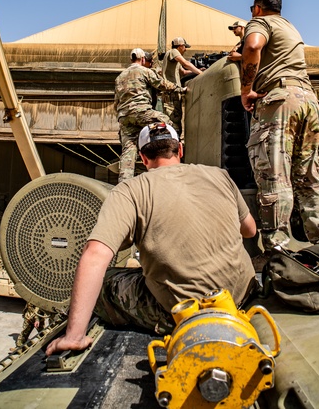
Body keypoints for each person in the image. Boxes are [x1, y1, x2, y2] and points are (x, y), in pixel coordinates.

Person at [45, 123, 257, 355]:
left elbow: (95, 255)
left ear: (143, 158)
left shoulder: (130, 191)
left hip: (187, 311)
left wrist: (74, 336)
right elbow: (250, 230)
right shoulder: (220, 175)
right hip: (240, 296)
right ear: (180, 150)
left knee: (107, 283)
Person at [239, 0, 319, 251]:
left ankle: (278, 251)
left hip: (280, 100)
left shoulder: (259, 22)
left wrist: (246, 89)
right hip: (308, 99)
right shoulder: (290, 28)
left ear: (258, 9)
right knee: (308, 177)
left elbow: (252, 46)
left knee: (274, 175)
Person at [115, 48, 184, 182]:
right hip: (142, 111)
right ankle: (173, 161)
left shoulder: (120, 77)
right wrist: (179, 89)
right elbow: (161, 84)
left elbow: (116, 102)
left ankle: (123, 182)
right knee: (168, 125)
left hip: (124, 117)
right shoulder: (144, 71)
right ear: (142, 59)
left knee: (128, 151)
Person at [160, 37, 203, 133]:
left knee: (176, 119)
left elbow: (183, 72)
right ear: (180, 46)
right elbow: (185, 63)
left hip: (174, 92)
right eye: (184, 47)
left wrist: (197, 72)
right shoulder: (174, 52)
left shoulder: (174, 59)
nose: (185, 49)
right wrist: (201, 73)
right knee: (172, 121)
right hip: (171, 93)